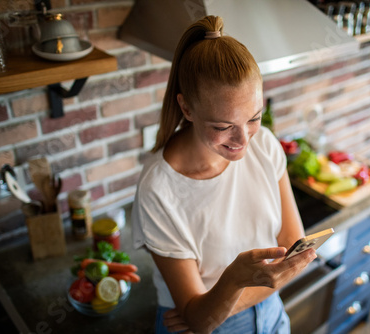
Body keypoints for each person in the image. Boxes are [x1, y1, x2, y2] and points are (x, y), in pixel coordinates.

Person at [131, 15, 316, 334]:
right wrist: (231, 281)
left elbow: (295, 251)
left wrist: (223, 303)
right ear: (187, 109)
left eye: (254, 118)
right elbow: (201, 323)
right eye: (223, 126)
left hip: (271, 316)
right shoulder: (158, 191)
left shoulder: (266, 145)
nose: (244, 141)